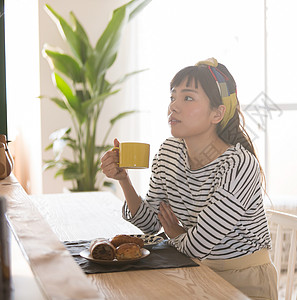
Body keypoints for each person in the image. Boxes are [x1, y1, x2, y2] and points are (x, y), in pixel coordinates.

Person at [101, 58, 277, 299]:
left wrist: (174, 234)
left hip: (242, 280)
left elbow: (199, 245)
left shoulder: (238, 165)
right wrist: (124, 180)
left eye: (188, 98)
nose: (174, 107)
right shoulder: (169, 152)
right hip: (192, 270)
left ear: (217, 113)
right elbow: (152, 224)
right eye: (173, 97)